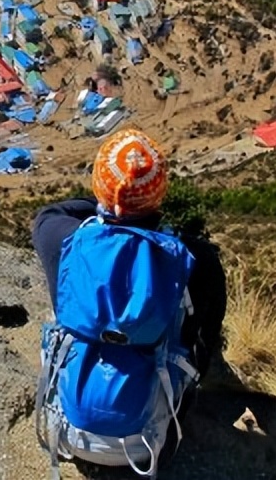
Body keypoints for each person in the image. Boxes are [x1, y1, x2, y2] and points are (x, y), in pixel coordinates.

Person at [32, 129, 226, 379]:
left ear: (99, 188)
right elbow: (206, 336)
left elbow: (50, 212)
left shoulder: (59, 237)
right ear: (159, 194)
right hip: (158, 405)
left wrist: (110, 196)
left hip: (71, 398)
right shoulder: (195, 257)